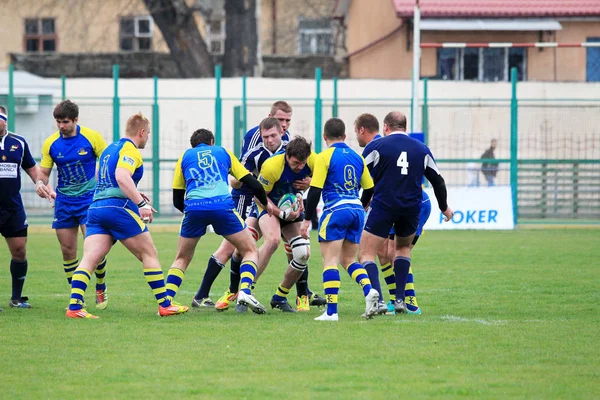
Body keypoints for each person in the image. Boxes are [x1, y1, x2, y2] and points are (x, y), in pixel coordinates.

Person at [65, 112, 188, 318]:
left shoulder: (108, 150)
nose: (148, 137)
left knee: (90, 258)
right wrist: (141, 203)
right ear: (141, 132)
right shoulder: (130, 150)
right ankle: (165, 304)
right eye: (148, 133)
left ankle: (75, 307)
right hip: (118, 209)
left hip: (95, 209)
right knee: (149, 253)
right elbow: (121, 176)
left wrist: (132, 191)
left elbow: (102, 177)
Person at [164, 128, 274, 314]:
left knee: (182, 258)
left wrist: (195, 215)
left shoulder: (184, 157)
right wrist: (266, 204)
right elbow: (253, 183)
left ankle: (166, 302)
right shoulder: (222, 152)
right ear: (212, 141)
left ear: (193, 145)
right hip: (222, 207)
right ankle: (245, 290)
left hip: (194, 208)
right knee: (249, 250)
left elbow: (176, 200)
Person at [360, 111, 453, 314]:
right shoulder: (422, 149)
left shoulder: (376, 146)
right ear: (405, 127)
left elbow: (361, 174)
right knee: (402, 250)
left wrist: (363, 203)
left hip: (384, 206)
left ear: (385, 127)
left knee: (366, 253)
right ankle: (401, 300)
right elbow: (438, 180)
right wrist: (444, 207)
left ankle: (378, 301)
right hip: (411, 208)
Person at [300, 118, 379, 321]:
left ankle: (332, 312)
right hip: (356, 210)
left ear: (324, 137)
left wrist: (307, 220)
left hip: (336, 209)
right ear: (345, 136)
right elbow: (369, 188)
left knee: (330, 260)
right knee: (349, 260)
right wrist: (361, 206)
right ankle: (369, 291)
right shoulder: (357, 157)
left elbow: (315, 189)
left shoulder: (324, 156)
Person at [35, 100, 110, 310]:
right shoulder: (51, 143)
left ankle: (101, 285)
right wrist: (41, 185)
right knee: (68, 251)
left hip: (89, 200)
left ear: (76, 120)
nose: (61, 126)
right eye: (58, 122)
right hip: (64, 202)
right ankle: (77, 297)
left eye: (65, 122)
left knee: (94, 249)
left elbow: (108, 162)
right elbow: (43, 174)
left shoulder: (91, 137)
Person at [255, 136, 314, 312]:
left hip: (293, 209)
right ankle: (246, 290)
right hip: (269, 207)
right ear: (287, 155)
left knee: (303, 253)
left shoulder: (313, 160)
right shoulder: (272, 166)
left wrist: (310, 183)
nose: (300, 167)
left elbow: (322, 181)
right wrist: (280, 213)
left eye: (303, 163)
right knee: (272, 241)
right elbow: (259, 196)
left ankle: (279, 296)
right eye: (296, 163)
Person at [0, 105, 44, 310]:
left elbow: (32, 168)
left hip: (13, 207)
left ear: (5, 120)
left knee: (19, 250)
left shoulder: (18, 142)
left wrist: (40, 184)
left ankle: (16, 298)